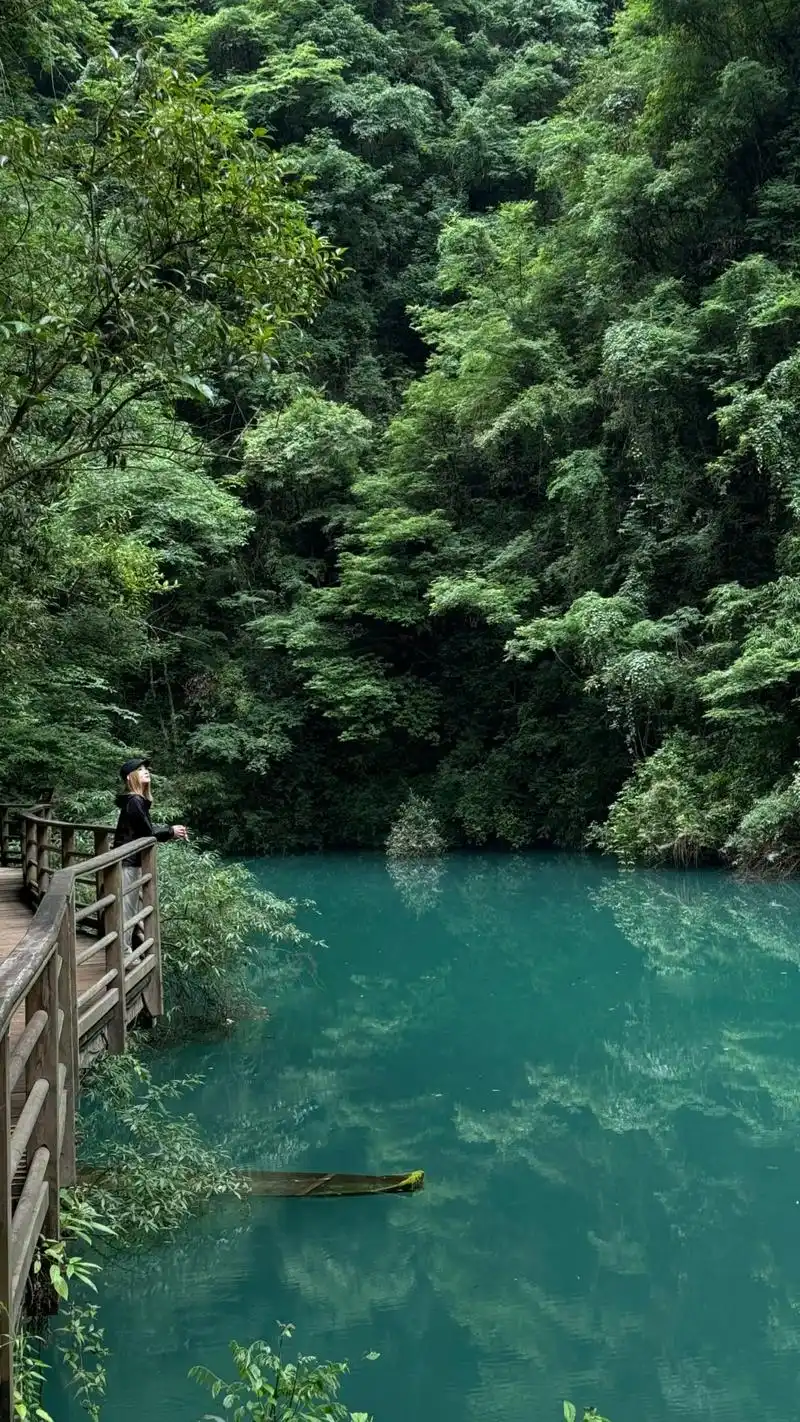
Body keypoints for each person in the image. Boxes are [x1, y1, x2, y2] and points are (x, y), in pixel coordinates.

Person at [113, 757, 188, 954]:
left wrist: (169, 831)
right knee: (126, 910)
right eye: (139, 769)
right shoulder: (135, 801)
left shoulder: (136, 801)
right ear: (130, 777)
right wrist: (170, 831)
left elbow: (141, 831)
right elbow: (146, 833)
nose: (146, 771)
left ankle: (125, 952)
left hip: (129, 861)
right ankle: (124, 955)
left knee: (129, 908)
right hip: (128, 862)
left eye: (146, 768)